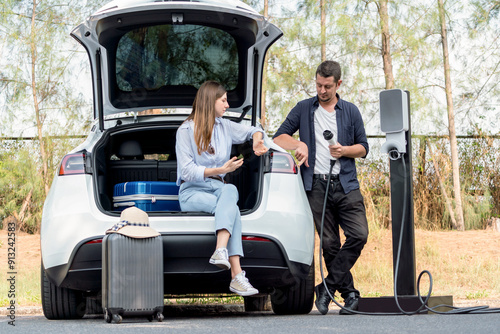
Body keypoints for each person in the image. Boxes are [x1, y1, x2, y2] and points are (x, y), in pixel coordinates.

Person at [273, 60, 369, 315]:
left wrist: (344, 150)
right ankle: (348, 295)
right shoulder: (304, 109)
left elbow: (363, 148)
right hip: (315, 185)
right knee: (329, 244)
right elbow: (279, 136)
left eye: (327, 86)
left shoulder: (351, 111)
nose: (322, 90)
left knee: (359, 235)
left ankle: (326, 288)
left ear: (338, 84)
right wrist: (298, 145)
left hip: (346, 184)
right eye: (318, 85)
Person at [175, 80, 268, 296]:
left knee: (231, 191)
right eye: (224, 100)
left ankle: (221, 250)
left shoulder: (225, 126)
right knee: (232, 208)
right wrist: (220, 169)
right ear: (210, 101)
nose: (227, 105)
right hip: (192, 192)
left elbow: (255, 129)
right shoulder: (185, 130)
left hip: (218, 190)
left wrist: (256, 141)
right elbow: (187, 172)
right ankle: (236, 275)